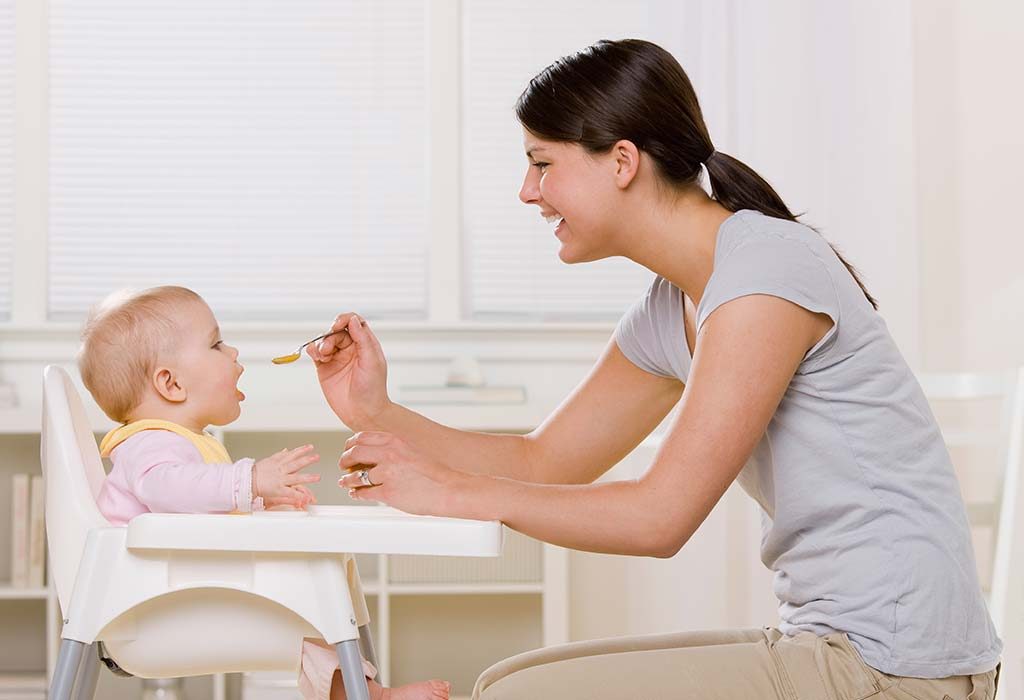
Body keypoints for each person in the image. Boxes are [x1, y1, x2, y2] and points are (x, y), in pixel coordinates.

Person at [309, 39, 1001, 699]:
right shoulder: (675, 305)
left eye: (542, 163)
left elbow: (658, 519)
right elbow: (546, 460)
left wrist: (454, 491)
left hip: (901, 668)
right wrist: (378, 412)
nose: (526, 191)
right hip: (838, 646)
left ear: (621, 161)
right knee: (503, 684)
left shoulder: (764, 272)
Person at [78, 285, 451, 700]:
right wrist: (248, 481)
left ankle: (365, 690)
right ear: (170, 383)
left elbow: (191, 511)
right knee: (308, 602)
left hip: (176, 600)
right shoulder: (150, 444)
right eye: (216, 344)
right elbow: (167, 490)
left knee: (314, 593)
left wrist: (257, 502)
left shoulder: (178, 443)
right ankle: (368, 694)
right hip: (152, 615)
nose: (233, 352)